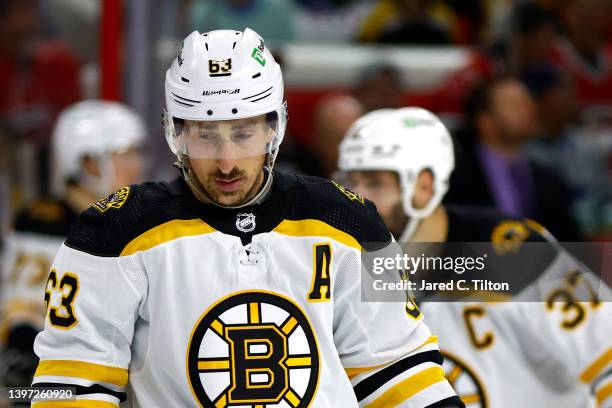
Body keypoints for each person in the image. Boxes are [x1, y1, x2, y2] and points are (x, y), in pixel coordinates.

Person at [30, 28, 463, 407]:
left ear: (275, 127)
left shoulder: (348, 222)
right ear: (175, 132)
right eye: (205, 135)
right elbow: (70, 385)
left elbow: (401, 374)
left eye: (243, 133)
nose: (226, 162)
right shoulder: (115, 232)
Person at [337, 107, 612, 407]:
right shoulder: (342, 263)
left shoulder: (511, 252)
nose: (356, 196)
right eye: (349, 181)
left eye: (375, 183)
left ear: (424, 187)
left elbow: (606, 349)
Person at [0, 100, 146, 387]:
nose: (136, 166)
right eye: (124, 155)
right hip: (63, 377)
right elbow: (22, 314)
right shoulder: (45, 222)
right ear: (90, 164)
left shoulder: (138, 218)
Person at [445, 76, 580, 241]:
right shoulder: (455, 180)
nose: (529, 110)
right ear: (485, 122)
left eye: (529, 102)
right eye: (514, 105)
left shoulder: (550, 182)